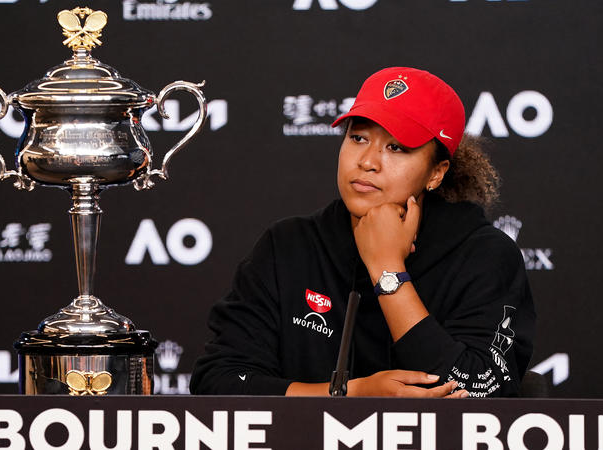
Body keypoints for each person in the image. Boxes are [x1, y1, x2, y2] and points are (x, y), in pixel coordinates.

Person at [190, 67, 536, 398]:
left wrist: (387, 270)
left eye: (396, 147)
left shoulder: (484, 255)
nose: (368, 161)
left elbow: (480, 393)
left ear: (436, 172)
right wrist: (353, 394)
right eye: (358, 138)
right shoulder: (288, 245)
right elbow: (218, 380)